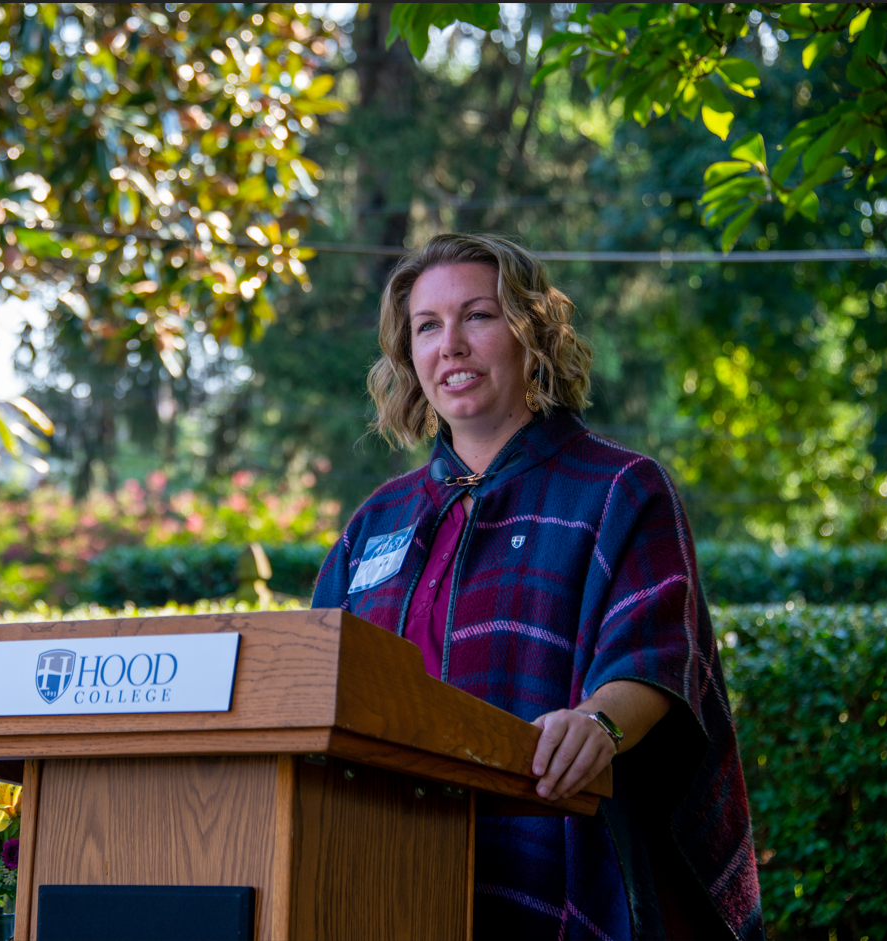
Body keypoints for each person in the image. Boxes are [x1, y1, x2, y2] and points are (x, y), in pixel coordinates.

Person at [312, 234, 763, 940]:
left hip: (550, 870)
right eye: (427, 326)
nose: (450, 344)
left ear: (532, 333)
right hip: (378, 869)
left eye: (478, 316)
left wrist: (596, 723)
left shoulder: (618, 488)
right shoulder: (377, 519)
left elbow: (651, 654)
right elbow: (316, 678)